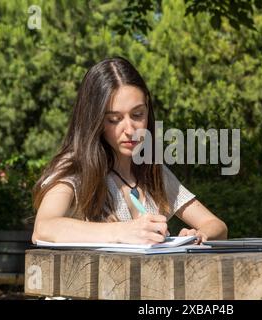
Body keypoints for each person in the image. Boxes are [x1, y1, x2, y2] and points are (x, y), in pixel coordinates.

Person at [32, 56, 228, 245]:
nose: (130, 130)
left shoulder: (152, 170)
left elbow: (216, 225)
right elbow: (43, 228)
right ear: (95, 121)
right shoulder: (75, 167)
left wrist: (198, 236)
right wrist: (123, 231)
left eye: (137, 114)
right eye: (114, 119)